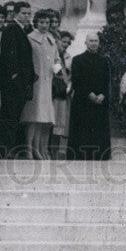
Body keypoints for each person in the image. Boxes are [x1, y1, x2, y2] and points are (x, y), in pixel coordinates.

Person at [66, 31, 112, 161]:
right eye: (91, 41)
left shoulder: (104, 61)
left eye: (96, 41)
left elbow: (106, 80)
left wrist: (103, 94)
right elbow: (77, 80)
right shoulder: (77, 60)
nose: (93, 43)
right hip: (83, 101)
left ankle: (100, 155)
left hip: (99, 101)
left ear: (99, 43)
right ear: (86, 43)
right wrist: (89, 94)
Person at [0, 5, 36, 155]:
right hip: (13, 82)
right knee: (10, 116)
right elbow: (10, 55)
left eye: (28, 13)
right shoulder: (12, 29)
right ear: (16, 14)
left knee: (13, 116)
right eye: (24, 13)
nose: (27, 16)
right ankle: (6, 150)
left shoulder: (20, 30)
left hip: (19, 81)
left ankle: (9, 149)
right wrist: (14, 77)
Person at [21, 9, 59, 160]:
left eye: (47, 23)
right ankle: (29, 148)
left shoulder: (52, 40)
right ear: (36, 23)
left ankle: (41, 148)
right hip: (35, 81)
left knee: (46, 119)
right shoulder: (30, 38)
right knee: (33, 116)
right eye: (41, 22)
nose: (44, 25)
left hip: (48, 81)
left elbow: (56, 59)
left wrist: (57, 67)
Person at [51, 30, 74, 159]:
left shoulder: (68, 58)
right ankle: (49, 150)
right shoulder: (55, 55)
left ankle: (57, 151)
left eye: (67, 43)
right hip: (54, 92)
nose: (65, 44)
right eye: (63, 42)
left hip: (64, 92)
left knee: (61, 122)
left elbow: (70, 76)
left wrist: (69, 87)